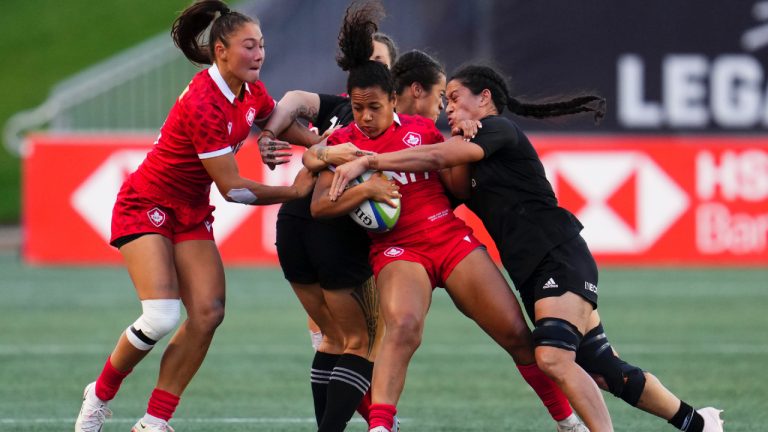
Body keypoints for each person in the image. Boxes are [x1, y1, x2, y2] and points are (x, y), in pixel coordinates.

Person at [329, 64, 726, 432]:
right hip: (532, 272)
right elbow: (451, 186)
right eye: (445, 100)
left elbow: (436, 154)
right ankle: (699, 423)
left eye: (454, 98)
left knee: (552, 357)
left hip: (558, 254)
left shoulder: (499, 129)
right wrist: (331, 158)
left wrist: (370, 161)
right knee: (604, 369)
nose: (446, 108)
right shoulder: (468, 141)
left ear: (484, 98)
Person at [306, 6, 599, 432]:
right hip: (398, 248)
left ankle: (567, 422)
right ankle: (381, 427)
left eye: (374, 107)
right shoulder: (343, 143)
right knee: (404, 328)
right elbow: (319, 207)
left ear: (394, 99)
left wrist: (462, 138)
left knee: (517, 334)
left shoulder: (421, 132)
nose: (366, 117)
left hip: (449, 237)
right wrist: (364, 188)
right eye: (358, 108)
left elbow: (457, 190)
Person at [73, 2, 315, 432]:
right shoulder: (205, 102)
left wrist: (325, 144)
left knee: (208, 313)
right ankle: (99, 395)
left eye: (261, 45)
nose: (259, 54)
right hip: (145, 203)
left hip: (189, 210)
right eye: (249, 46)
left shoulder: (248, 89)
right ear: (221, 50)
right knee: (162, 316)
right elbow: (234, 188)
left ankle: (153, 421)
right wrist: (293, 193)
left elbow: (275, 119)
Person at [256, 4, 397, 431]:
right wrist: (272, 133)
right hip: (329, 230)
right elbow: (294, 101)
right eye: (364, 62)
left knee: (334, 340)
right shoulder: (366, 120)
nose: (369, 70)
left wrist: (305, 144)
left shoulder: (343, 116)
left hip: (293, 226)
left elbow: (298, 108)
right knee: (363, 341)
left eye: (378, 64)